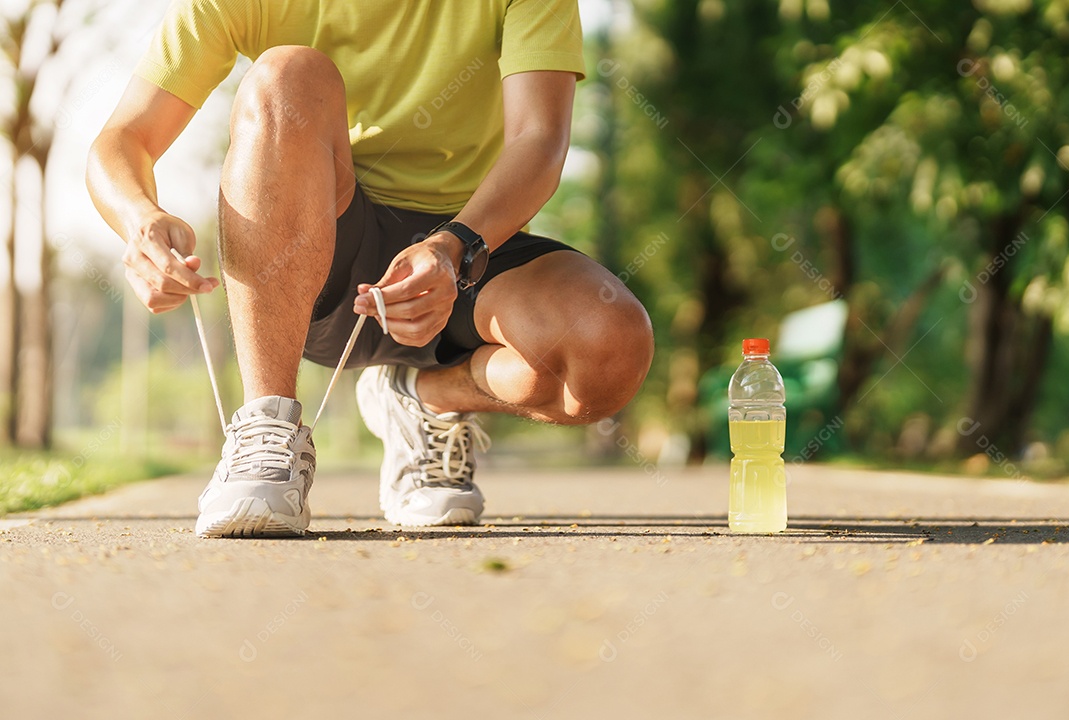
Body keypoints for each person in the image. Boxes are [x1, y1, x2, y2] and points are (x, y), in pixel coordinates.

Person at [86, 0, 654, 538]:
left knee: (608, 348)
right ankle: (267, 432)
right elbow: (124, 138)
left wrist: (453, 246)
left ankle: (426, 395)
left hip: (473, 239)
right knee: (287, 70)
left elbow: (540, 139)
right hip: (321, 246)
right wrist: (141, 220)